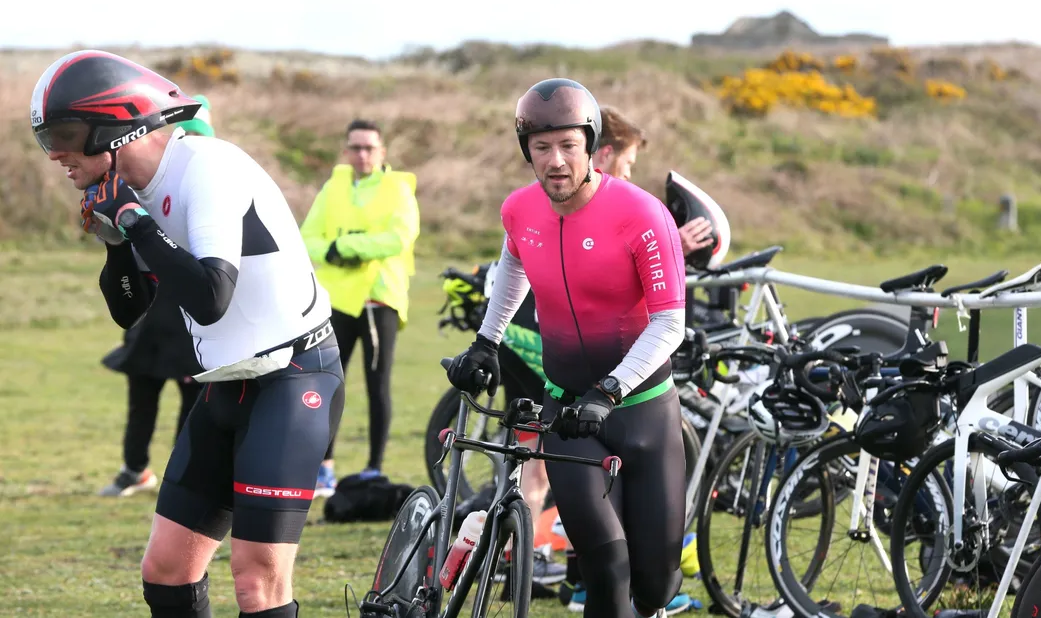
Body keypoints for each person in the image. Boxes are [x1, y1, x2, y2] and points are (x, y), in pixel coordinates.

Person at [31, 49, 343, 617]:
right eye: (46, 138)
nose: (57, 154)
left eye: (68, 134)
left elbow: (210, 298)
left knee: (256, 581)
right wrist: (119, 240)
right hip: (228, 384)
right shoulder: (133, 190)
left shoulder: (206, 167)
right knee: (167, 570)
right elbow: (130, 310)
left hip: (294, 377)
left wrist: (135, 224)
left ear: (119, 128)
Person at [446, 77, 688, 618]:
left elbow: (671, 321)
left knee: (654, 586)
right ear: (526, 151)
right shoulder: (519, 210)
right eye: (541, 148)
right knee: (607, 570)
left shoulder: (642, 214)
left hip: (645, 412)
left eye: (568, 146)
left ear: (590, 145)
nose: (555, 161)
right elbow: (513, 265)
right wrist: (488, 339)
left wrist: (611, 388)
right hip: (570, 414)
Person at [97, 93, 216, 498]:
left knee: (193, 403)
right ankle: (134, 469)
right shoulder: (147, 186)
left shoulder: (207, 189)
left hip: (190, 317)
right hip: (151, 317)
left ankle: (181, 476)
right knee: (142, 395)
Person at [299, 119, 420, 498]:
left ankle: (374, 468)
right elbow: (308, 238)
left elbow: (398, 239)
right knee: (327, 383)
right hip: (335, 300)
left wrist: (345, 247)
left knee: (376, 385)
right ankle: (324, 469)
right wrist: (331, 250)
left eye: (369, 148)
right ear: (346, 150)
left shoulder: (398, 188)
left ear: (382, 152)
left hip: (378, 299)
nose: (362, 154)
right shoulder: (333, 186)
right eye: (355, 147)